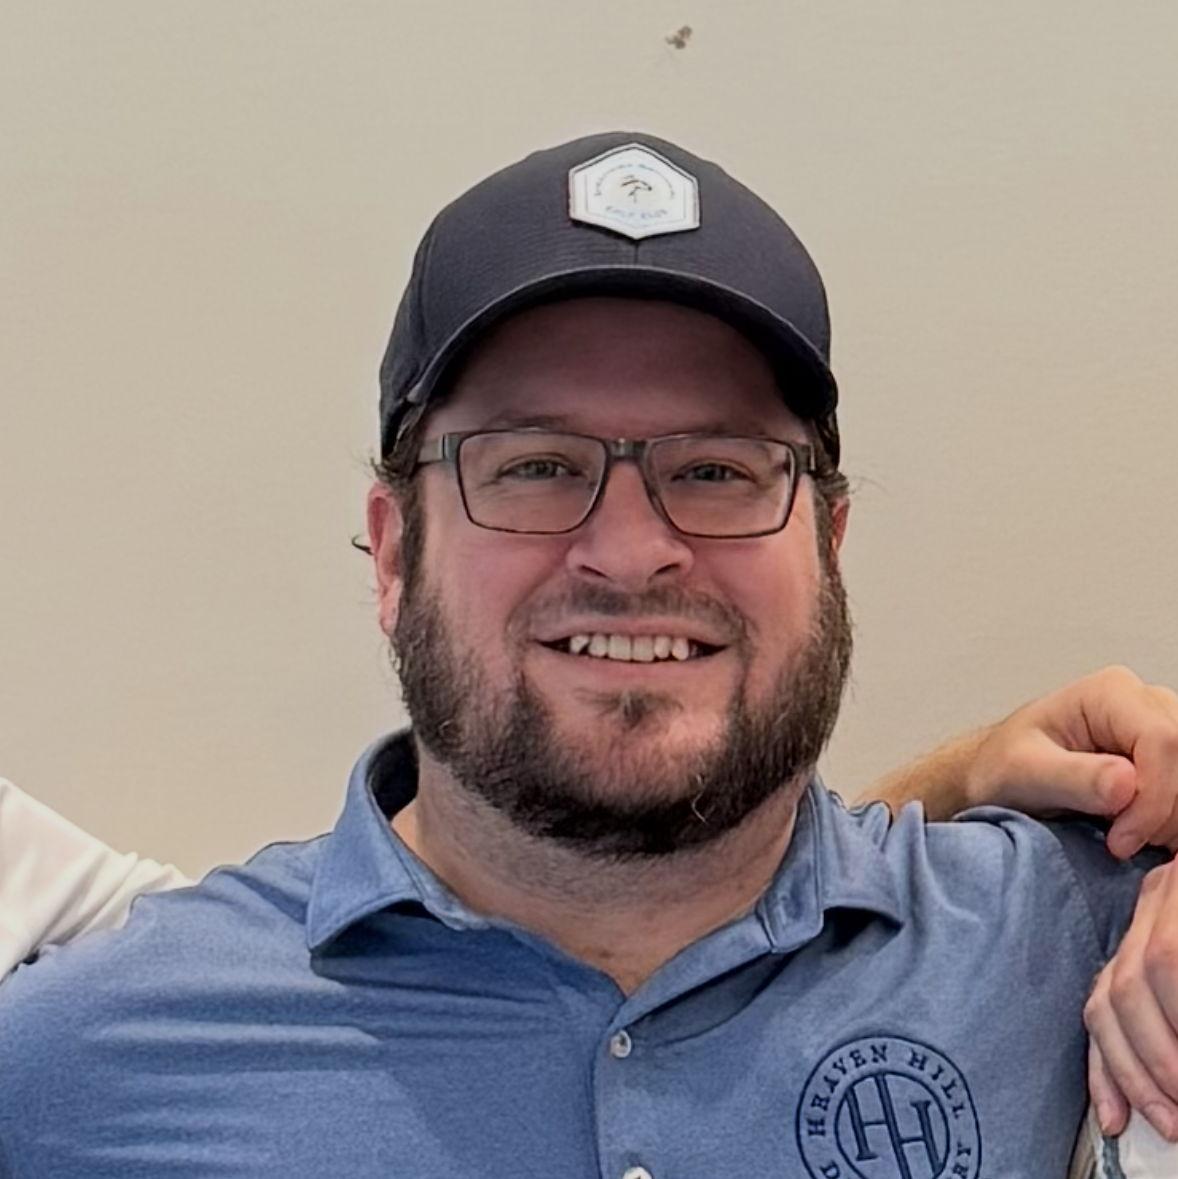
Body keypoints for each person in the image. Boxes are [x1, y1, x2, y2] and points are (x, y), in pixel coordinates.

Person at [0, 131, 1172, 1178]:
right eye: (534, 467)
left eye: (714, 471)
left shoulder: (1084, 942)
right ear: (394, 552)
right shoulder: (78, 1071)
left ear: (827, 546)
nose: (630, 550)